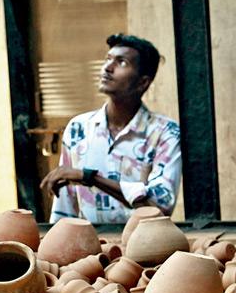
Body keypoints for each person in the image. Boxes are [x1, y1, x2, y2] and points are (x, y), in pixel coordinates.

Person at [42, 34, 183, 224]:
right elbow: (65, 209)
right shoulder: (79, 128)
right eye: (108, 59)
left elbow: (160, 206)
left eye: (122, 62)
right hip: (89, 246)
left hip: (143, 244)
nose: (107, 68)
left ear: (143, 82)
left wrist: (89, 177)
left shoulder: (165, 132)